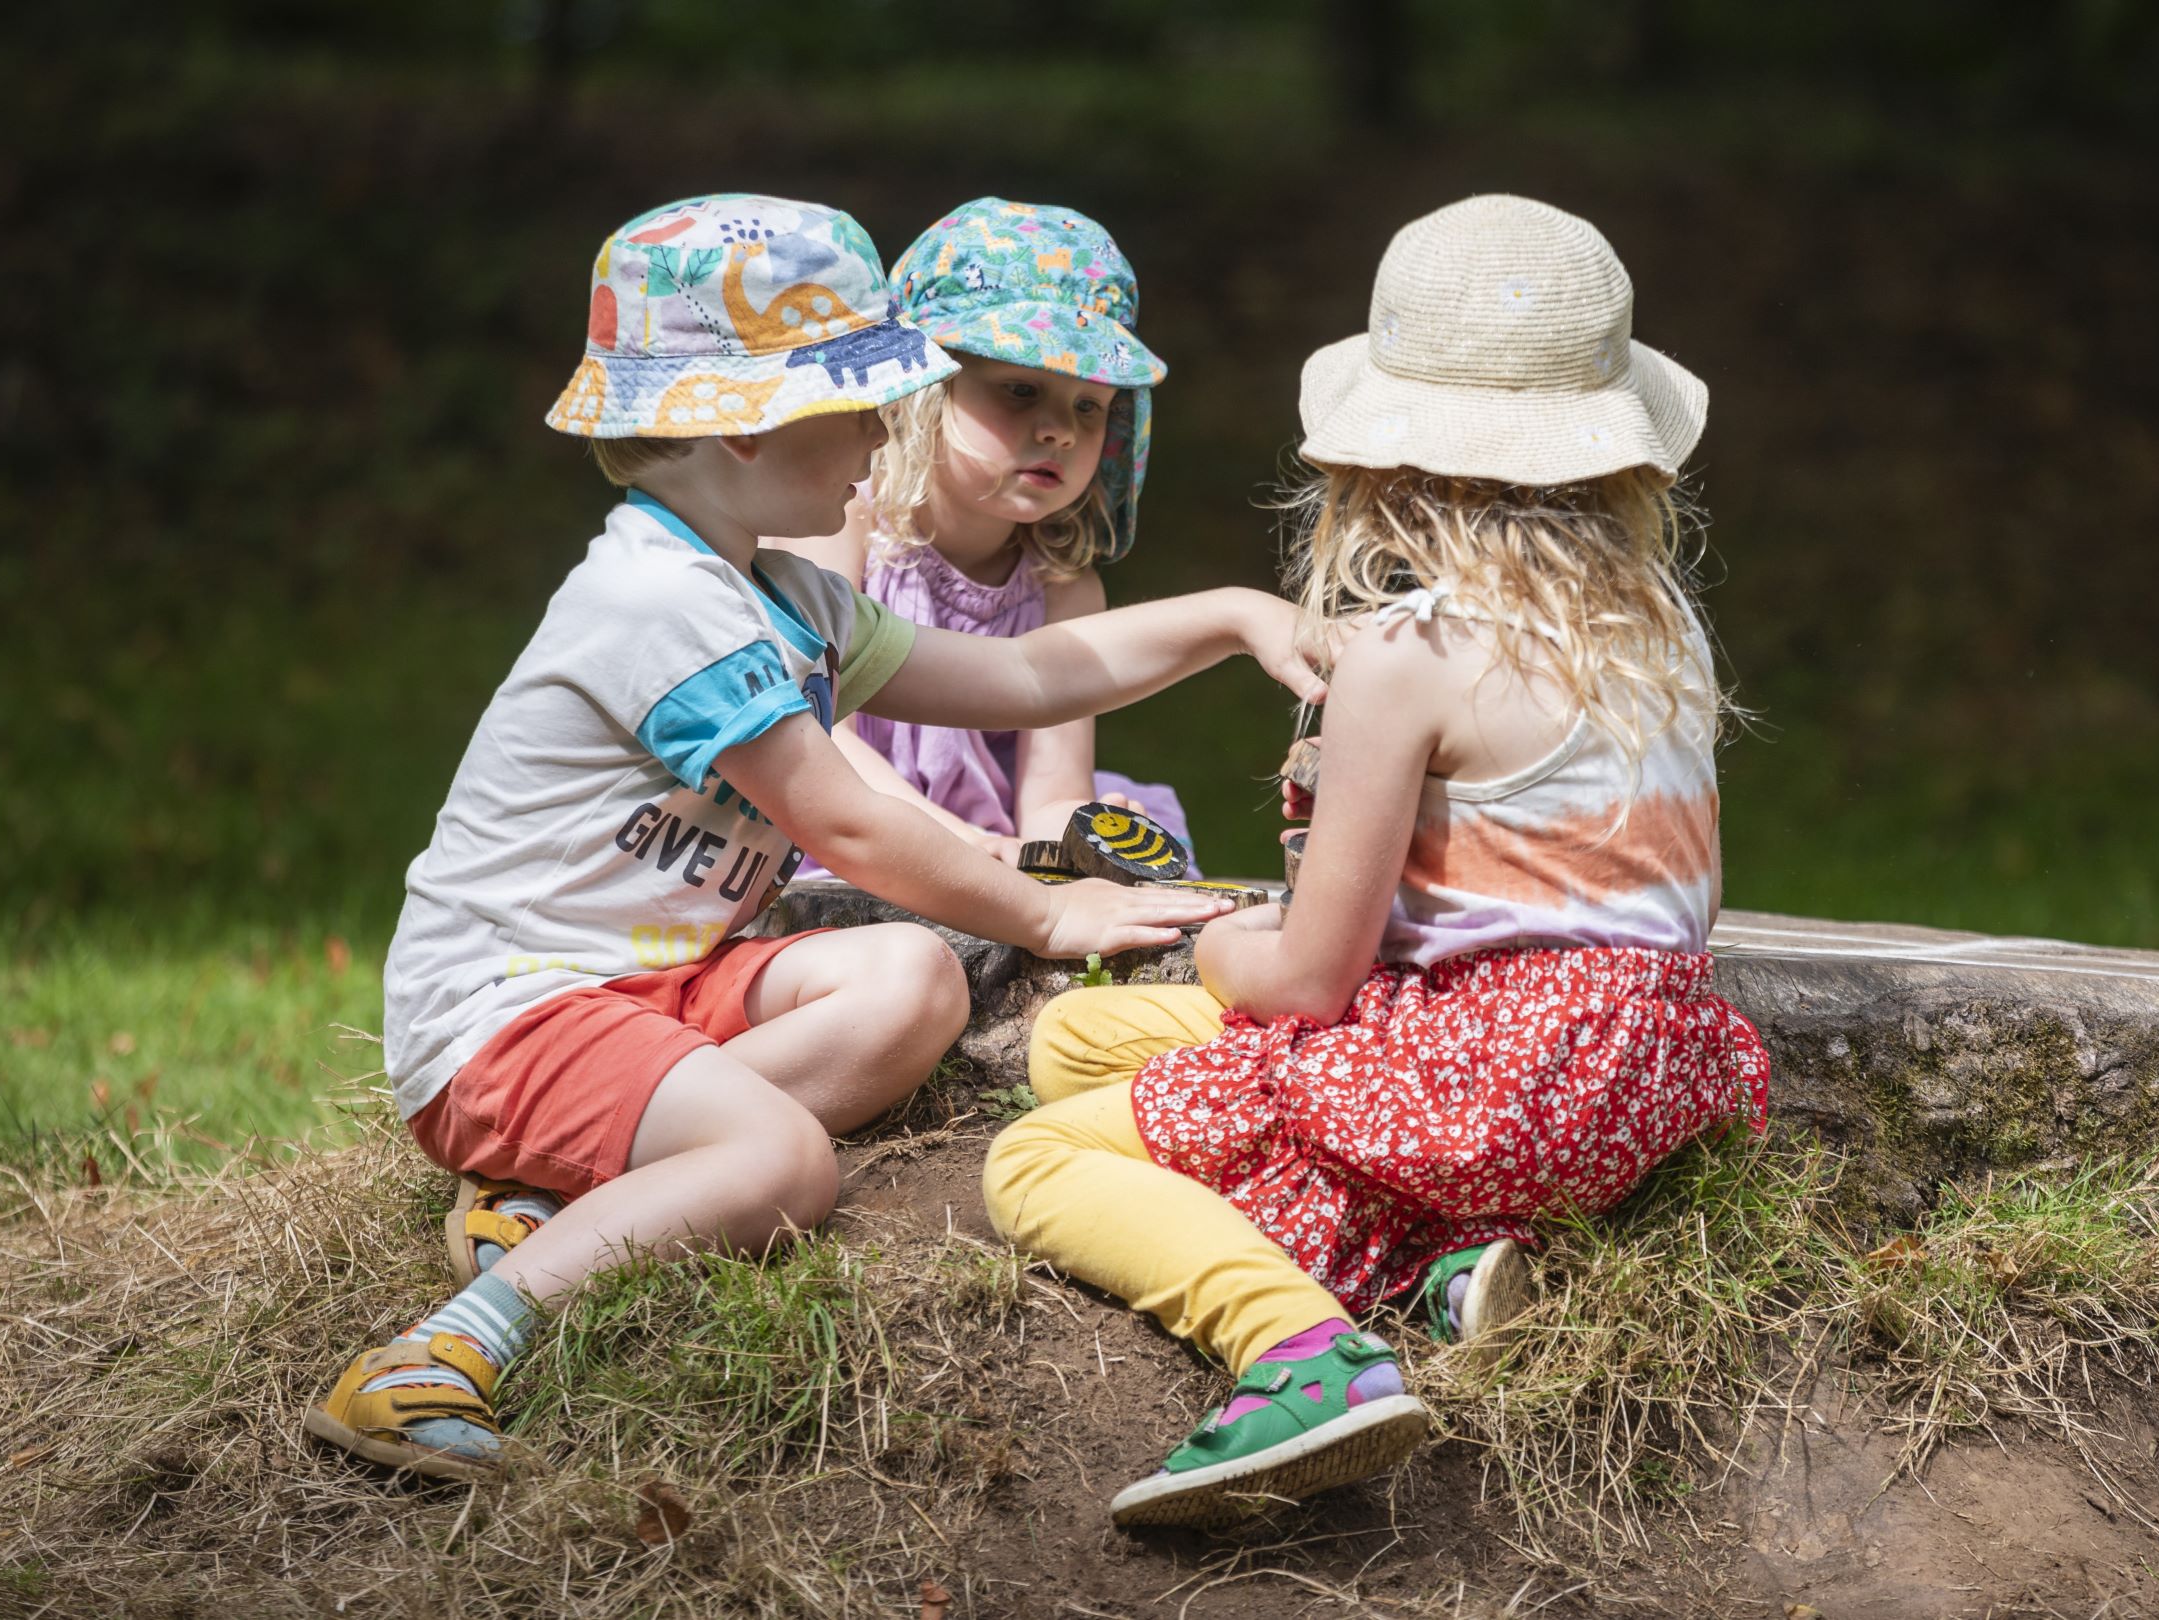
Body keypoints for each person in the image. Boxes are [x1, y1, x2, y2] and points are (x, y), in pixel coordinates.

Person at [305, 194, 1322, 1484]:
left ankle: (564, 1197)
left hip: (650, 987)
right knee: (786, 1163)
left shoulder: (781, 592)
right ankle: (442, 1354)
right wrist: (1055, 914)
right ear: (738, 425)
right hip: (511, 1016)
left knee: (915, 976)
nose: (879, 428)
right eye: (855, 405)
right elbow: (840, 817)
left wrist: (1235, 614)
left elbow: (1020, 679)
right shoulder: (659, 602)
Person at [981, 194, 1771, 1528]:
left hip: (1486, 1078)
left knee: (1038, 1160)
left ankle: (1300, 1356)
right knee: (1079, 1047)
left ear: (1380, 462)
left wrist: (1218, 940)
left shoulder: (1410, 656)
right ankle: (1456, 1262)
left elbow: (1303, 982)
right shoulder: (1660, 626)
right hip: (1636, 1077)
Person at [772, 198, 1192, 871]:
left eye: (1089, 405)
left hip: (985, 845)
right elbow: (817, 741)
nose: (1061, 429)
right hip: (837, 835)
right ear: (925, 387)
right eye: (1020, 390)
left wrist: (1065, 848)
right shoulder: (844, 526)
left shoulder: (1063, 589)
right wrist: (961, 847)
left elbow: (1052, 793)